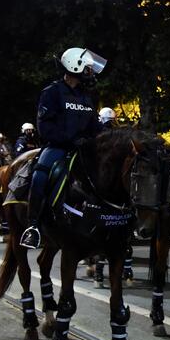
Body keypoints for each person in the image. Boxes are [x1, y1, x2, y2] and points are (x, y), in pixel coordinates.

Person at [19, 47, 107, 249]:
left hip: (84, 148)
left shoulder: (88, 96)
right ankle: (33, 226)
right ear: (74, 67)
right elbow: (45, 128)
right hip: (58, 147)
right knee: (40, 175)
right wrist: (70, 140)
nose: (91, 73)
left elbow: (95, 125)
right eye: (88, 69)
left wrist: (108, 136)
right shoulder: (52, 92)